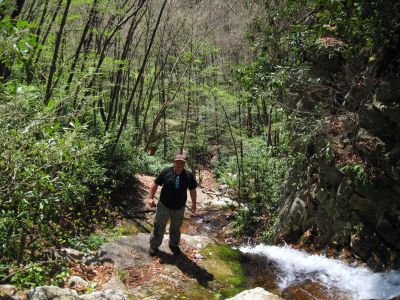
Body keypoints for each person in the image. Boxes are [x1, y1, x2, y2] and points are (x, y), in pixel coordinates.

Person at [146, 153, 197, 256]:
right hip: (164, 205)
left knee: (176, 228)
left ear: (184, 164)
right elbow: (155, 184)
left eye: (181, 163)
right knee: (159, 226)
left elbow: (192, 190)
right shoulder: (166, 171)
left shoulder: (188, 175)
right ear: (174, 162)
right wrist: (150, 197)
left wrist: (194, 204)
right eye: (177, 162)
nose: (179, 164)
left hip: (179, 207)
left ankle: (173, 245)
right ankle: (154, 246)